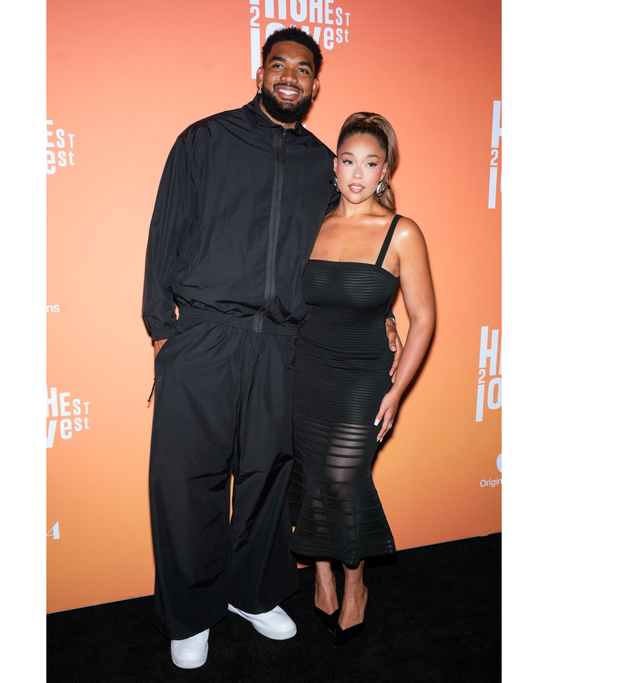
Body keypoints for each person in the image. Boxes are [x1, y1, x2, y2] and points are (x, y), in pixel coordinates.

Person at [142, 30, 400, 669]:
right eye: (278, 64)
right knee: (188, 481)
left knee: (268, 475)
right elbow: (164, 232)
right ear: (260, 73)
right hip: (205, 336)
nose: (290, 76)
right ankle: (191, 613)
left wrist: (385, 314)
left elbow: (348, 249)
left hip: (286, 343)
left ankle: (251, 593)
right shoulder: (204, 140)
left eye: (303, 69)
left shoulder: (323, 164)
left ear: (315, 84)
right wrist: (163, 332)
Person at [288, 112, 436, 646]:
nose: (357, 173)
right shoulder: (312, 222)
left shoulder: (402, 232)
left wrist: (396, 393)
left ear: (385, 170)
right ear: (335, 165)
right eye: (348, 160)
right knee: (311, 476)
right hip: (306, 371)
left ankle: (356, 584)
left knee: (343, 478)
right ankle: (323, 576)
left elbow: (424, 317)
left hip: (364, 378)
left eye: (370, 163)